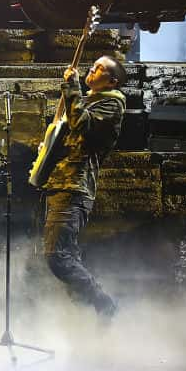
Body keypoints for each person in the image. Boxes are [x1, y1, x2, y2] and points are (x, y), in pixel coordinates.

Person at [41, 55, 126, 319]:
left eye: (101, 68)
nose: (93, 68)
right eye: (94, 64)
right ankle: (85, 317)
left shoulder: (112, 104)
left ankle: (104, 306)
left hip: (74, 186)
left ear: (111, 81)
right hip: (59, 184)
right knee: (65, 255)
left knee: (58, 257)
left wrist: (72, 88)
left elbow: (82, 125)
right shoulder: (86, 99)